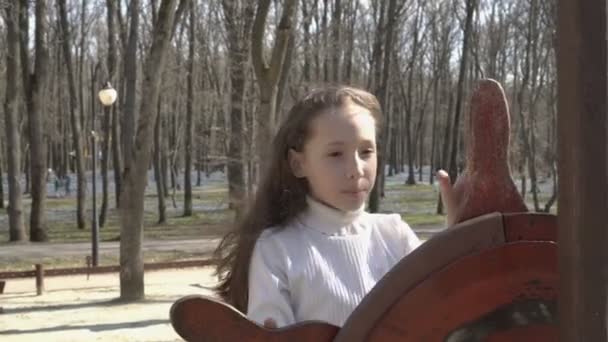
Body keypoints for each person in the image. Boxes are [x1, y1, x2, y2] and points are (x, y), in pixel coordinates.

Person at [214, 85, 456, 328]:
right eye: (336, 154)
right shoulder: (277, 249)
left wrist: (461, 238)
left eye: (366, 151)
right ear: (298, 164)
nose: (356, 169)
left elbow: (448, 314)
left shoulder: (395, 235)